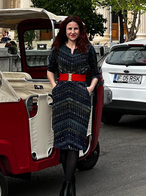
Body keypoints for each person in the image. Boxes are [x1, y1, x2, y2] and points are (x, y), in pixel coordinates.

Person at [47, 16, 98, 196]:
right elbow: (50, 69)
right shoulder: (57, 48)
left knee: (75, 143)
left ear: (80, 30)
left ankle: (66, 187)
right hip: (61, 95)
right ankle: (72, 181)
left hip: (80, 96)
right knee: (62, 146)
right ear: (65, 31)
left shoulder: (88, 49)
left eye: (75, 29)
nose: (72, 32)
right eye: (69, 29)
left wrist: (90, 88)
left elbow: (96, 73)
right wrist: (54, 87)